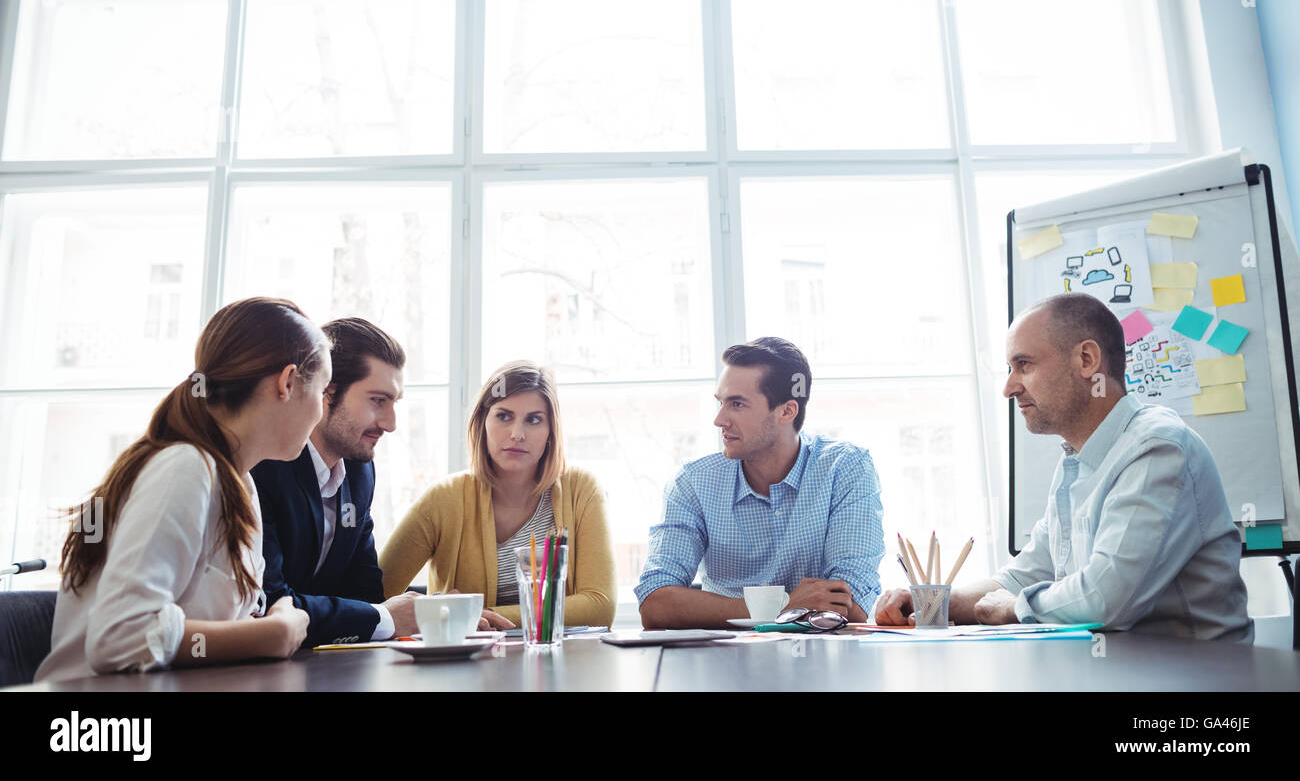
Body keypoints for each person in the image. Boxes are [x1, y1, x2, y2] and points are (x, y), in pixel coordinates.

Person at [874, 293, 1253, 641]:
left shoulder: (1158, 449)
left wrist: (1014, 608)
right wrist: (930, 602)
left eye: (1023, 365)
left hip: (1194, 679)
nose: (1009, 387)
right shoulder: (1077, 460)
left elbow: (1105, 598)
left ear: (1086, 361)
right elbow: (1027, 574)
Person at [37, 298, 324, 681]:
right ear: (287, 383)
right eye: (322, 391)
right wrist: (271, 634)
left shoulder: (241, 486)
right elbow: (120, 638)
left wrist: (262, 623)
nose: (322, 410)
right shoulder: (186, 468)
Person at [636, 337, 885, 629]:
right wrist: (780, 606)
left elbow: (851, 604)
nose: (719, 420)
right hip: (725, 662)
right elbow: (654, 603)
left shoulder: (844, 469)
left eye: (737, 404)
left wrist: (730, 610)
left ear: (786, 411)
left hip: (820, 660)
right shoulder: (693, 483)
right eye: (721, 402)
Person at [379, 360, 616, 629]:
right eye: (503, 416)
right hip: (466, 666)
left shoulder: (581, 489)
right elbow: (371, 599)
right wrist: (437, 609)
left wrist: (473, 614)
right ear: (482, 422)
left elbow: (600, 605)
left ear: (551, 430)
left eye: (534, 419)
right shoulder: (443, 499)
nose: (517, 434)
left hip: (562, 661)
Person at [253, 317, 419, 647]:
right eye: (378, 400)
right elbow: (270, 604)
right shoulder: (263, 466)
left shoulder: (360, 473)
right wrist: (383, 617)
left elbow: (364, 596)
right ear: (327, 390)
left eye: (394, 403)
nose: (390, 423)